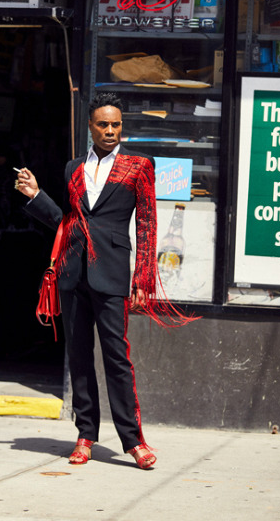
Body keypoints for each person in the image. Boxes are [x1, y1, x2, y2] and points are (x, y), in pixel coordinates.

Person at [15, 92, 192, 470]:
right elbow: (69, 221)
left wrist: (143, 277)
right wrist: (37, 197)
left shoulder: (138, 166)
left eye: (116, 125)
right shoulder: (73, 169)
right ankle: (85, 435)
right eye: (103, 125)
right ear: (91, 127)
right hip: (72, 272)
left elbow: (146, 224)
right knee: (78, 357)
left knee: (117, 357)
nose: (110, 131)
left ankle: (133, 440)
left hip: (112, 273)